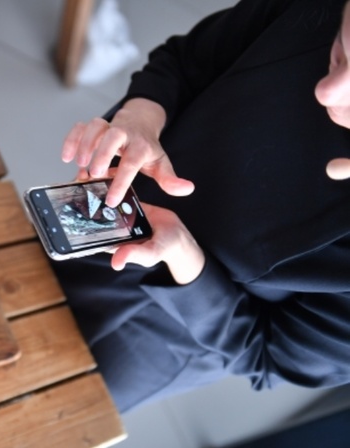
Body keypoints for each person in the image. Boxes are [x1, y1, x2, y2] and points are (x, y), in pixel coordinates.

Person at [51, 0, 350, 414]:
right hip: (105, 208)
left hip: (168, 328)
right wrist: (141, 117)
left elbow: (268, 356)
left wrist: (183, 256)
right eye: (339, 54)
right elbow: (187, 59)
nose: (326, 91)